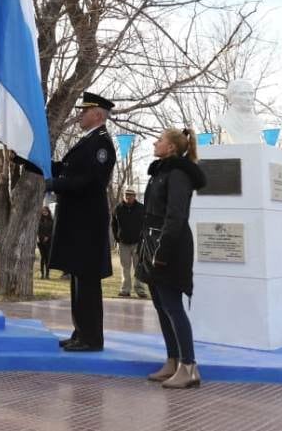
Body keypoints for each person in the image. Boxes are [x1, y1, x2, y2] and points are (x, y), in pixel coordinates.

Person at [46, 91, 116, 352]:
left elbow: (90, 181)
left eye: (84, 111)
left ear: (97, 115)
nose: (80, 115)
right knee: (77, 278)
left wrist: (55, 184)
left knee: (87, 281)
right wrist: (35, 164)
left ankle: (91, 338)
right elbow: (69, 171)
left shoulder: (101, 144)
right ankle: (80, 332)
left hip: (87, 222)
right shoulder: (87, 141)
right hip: (78, 221)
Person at [139, 128, 206, 389]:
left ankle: (189, 367)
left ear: (172, 148)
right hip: (153, 245)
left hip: (170, 247)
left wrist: (162, 253)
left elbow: (175, 216)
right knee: (160, 306)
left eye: (160, 140)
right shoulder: (160, 171)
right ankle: (173, 360)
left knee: (173, 306)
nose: (155, 142)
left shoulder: (178, 173)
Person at [112, 188, 147, 298]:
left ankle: (140, 290)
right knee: (125, 267)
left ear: (135, 196)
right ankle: (125, 290)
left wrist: (143, 239)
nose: (128, 197)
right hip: (123, 243)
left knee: (138, 267)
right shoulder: (118, 208)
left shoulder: (142, 208)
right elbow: (113, 225)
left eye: (131, 195)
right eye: (126, 195)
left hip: (138, 243)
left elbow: (146, 224)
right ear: (124, 195)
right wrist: (117, 240)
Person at [37, 206, 54, 279]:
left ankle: (47, 274)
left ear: (48, 212)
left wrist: (48, 237)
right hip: (41, 241)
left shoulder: (51, 221)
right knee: (43, 257)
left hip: (49, 241)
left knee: (47, 258)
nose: (44, 212)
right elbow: (38, 231)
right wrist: (42, 237)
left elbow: (52, 231)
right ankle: (42, 274)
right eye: (43, 211)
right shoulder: (39, 221)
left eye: (46, 211)